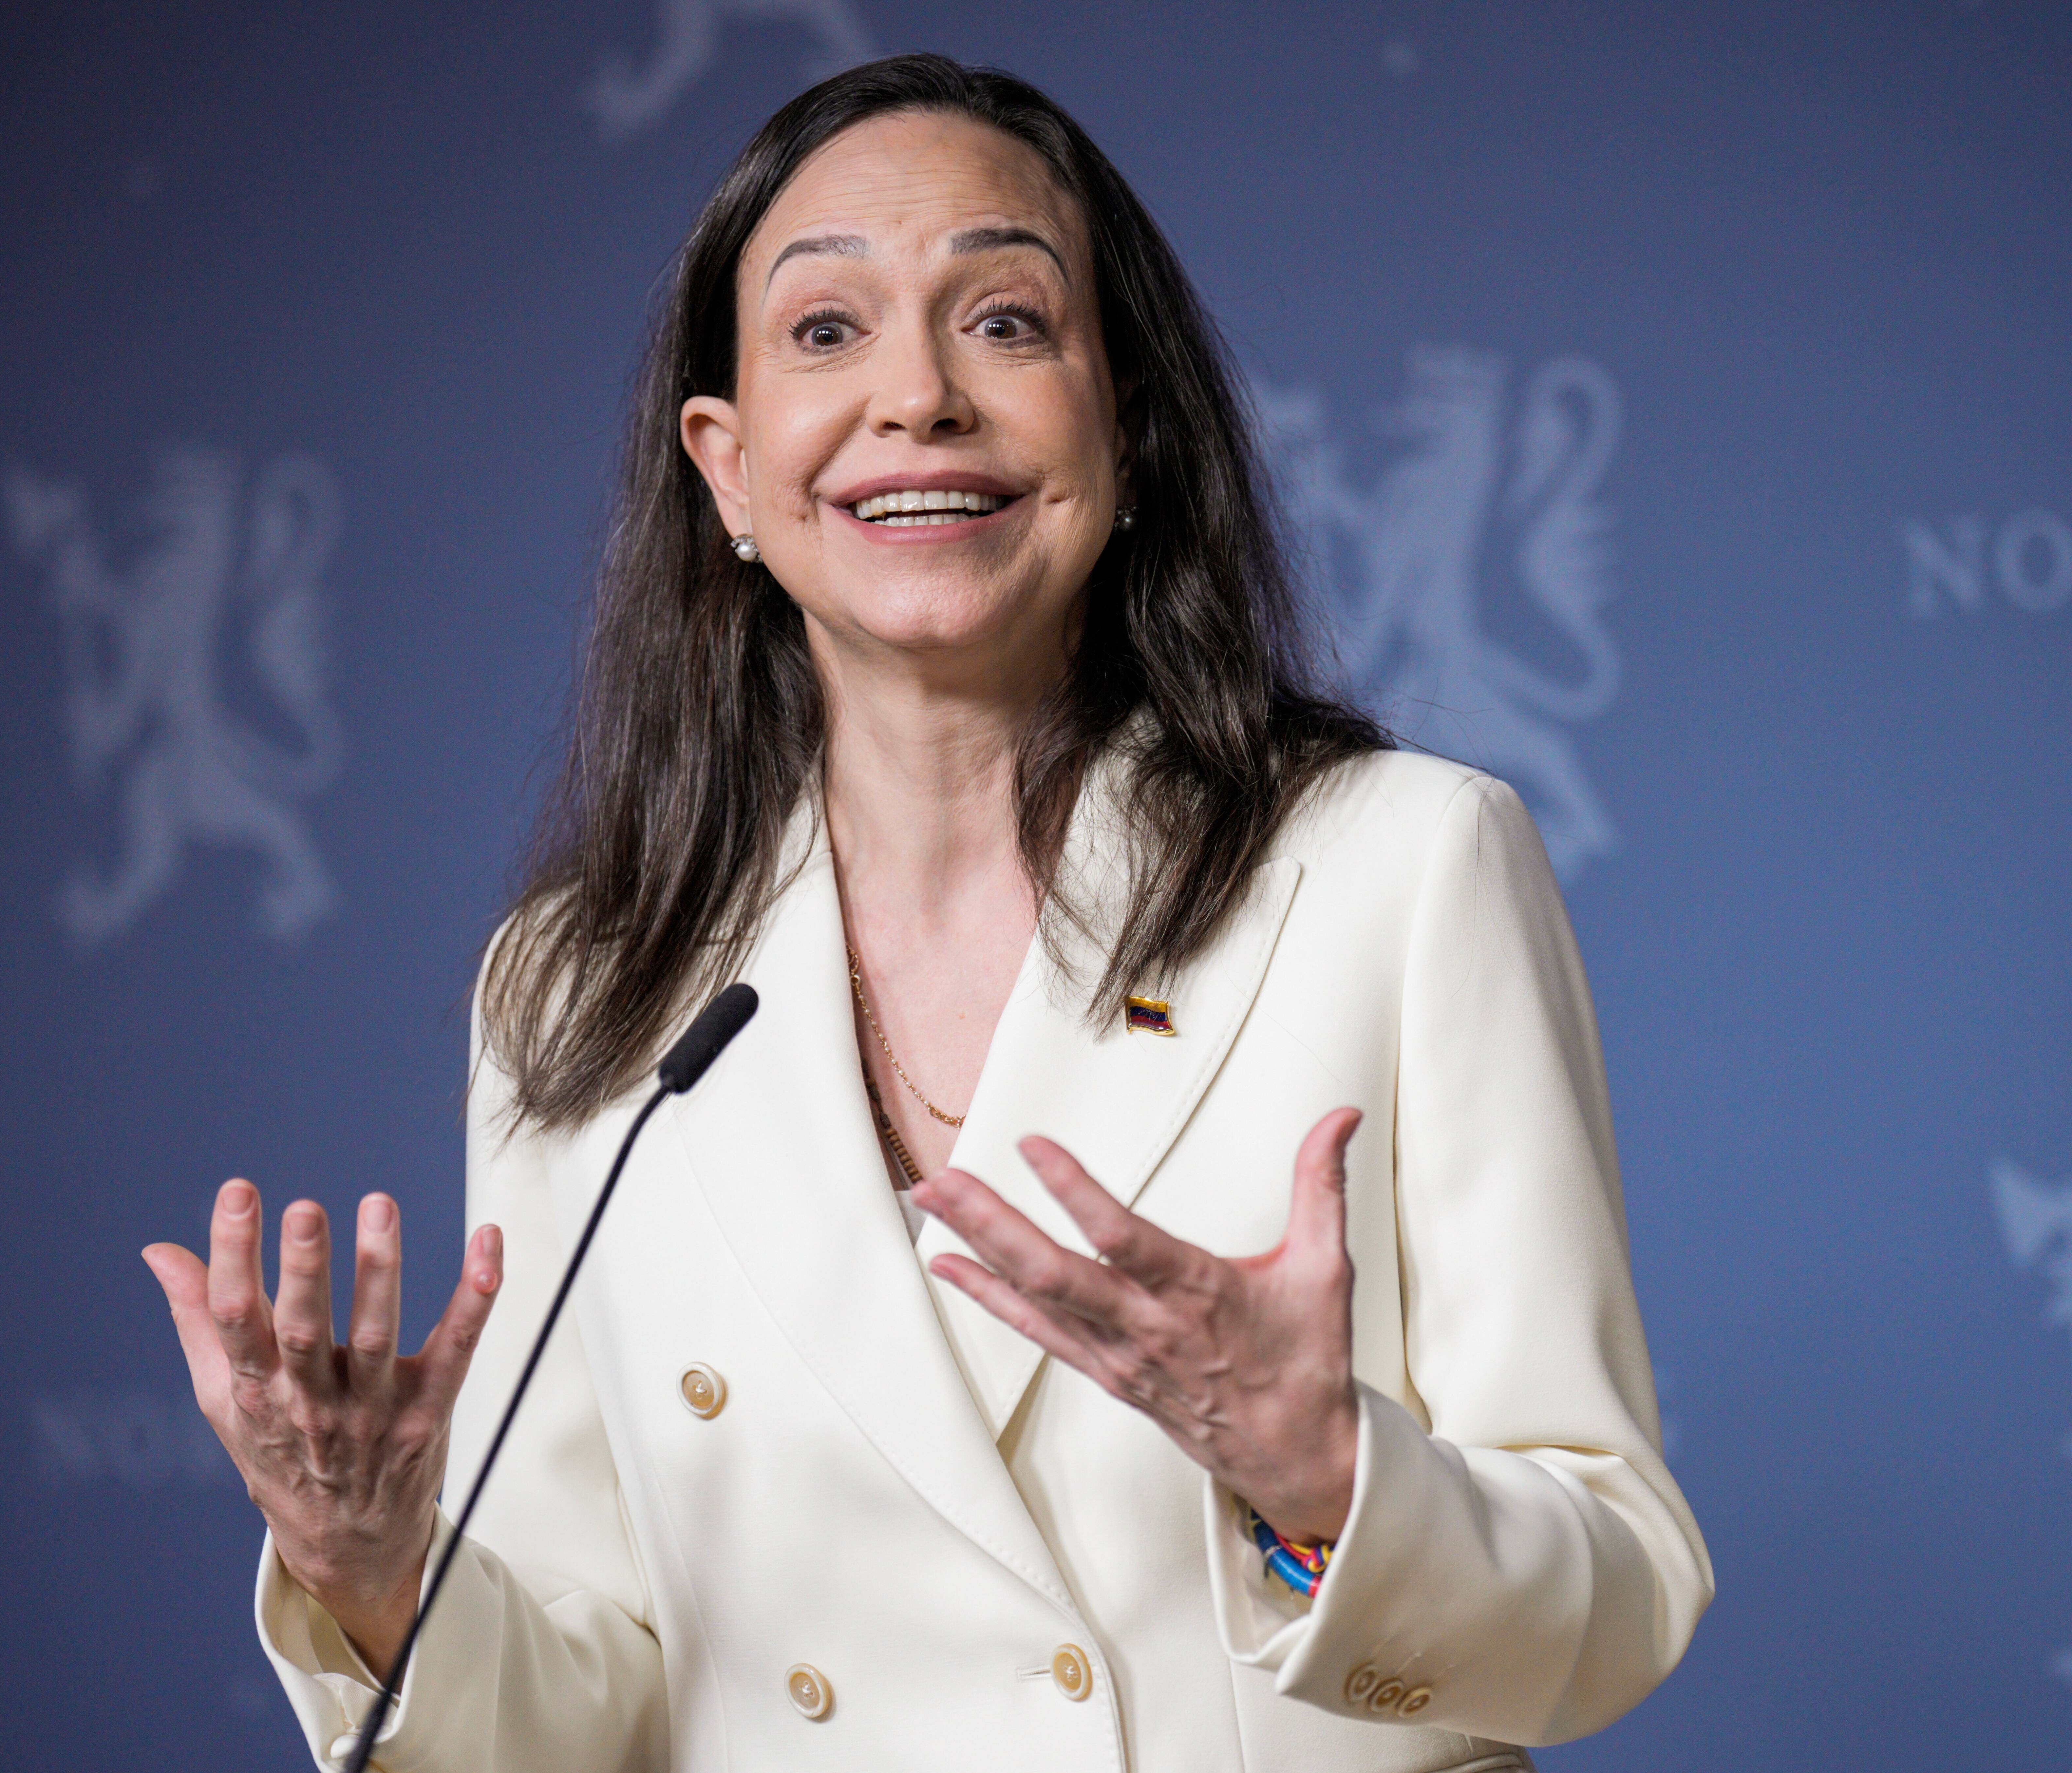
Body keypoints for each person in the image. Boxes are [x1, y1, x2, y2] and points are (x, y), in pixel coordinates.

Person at [145, 53, 1710, 1773]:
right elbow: (586, 1710)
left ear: (1127, 430)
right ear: (728, 472)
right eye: (826, 330)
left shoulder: (1400, 870)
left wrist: (1324, 1476)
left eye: (1007, 321)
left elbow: (1620, 1590)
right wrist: (372, 1576)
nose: (917, 397)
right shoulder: (582, 989)